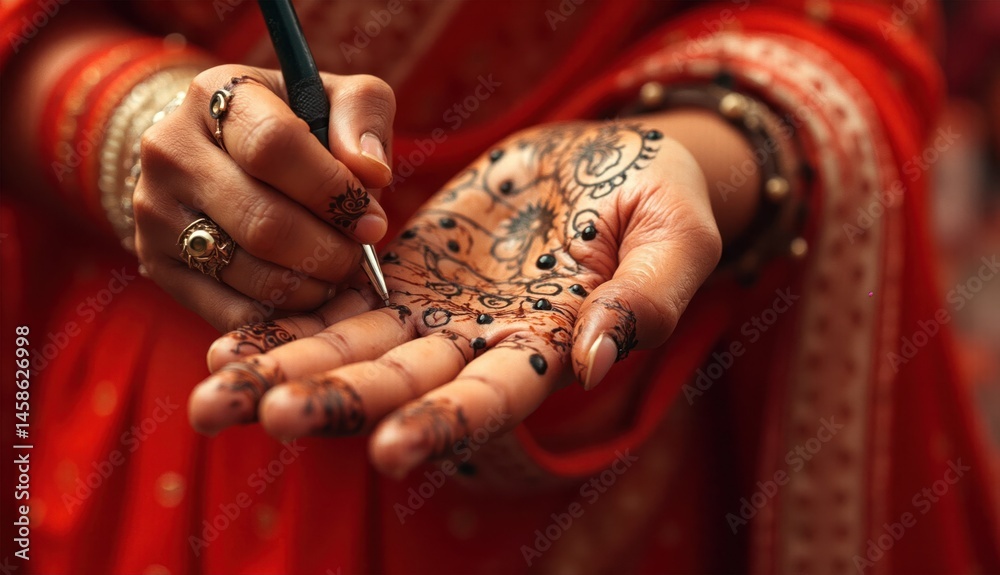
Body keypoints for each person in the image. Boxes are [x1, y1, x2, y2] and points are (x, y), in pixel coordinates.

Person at [1, 0, 997, 573]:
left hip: (614, 451)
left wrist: (710, 151)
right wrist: (126, 125)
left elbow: (855, 21)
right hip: (164, 429)